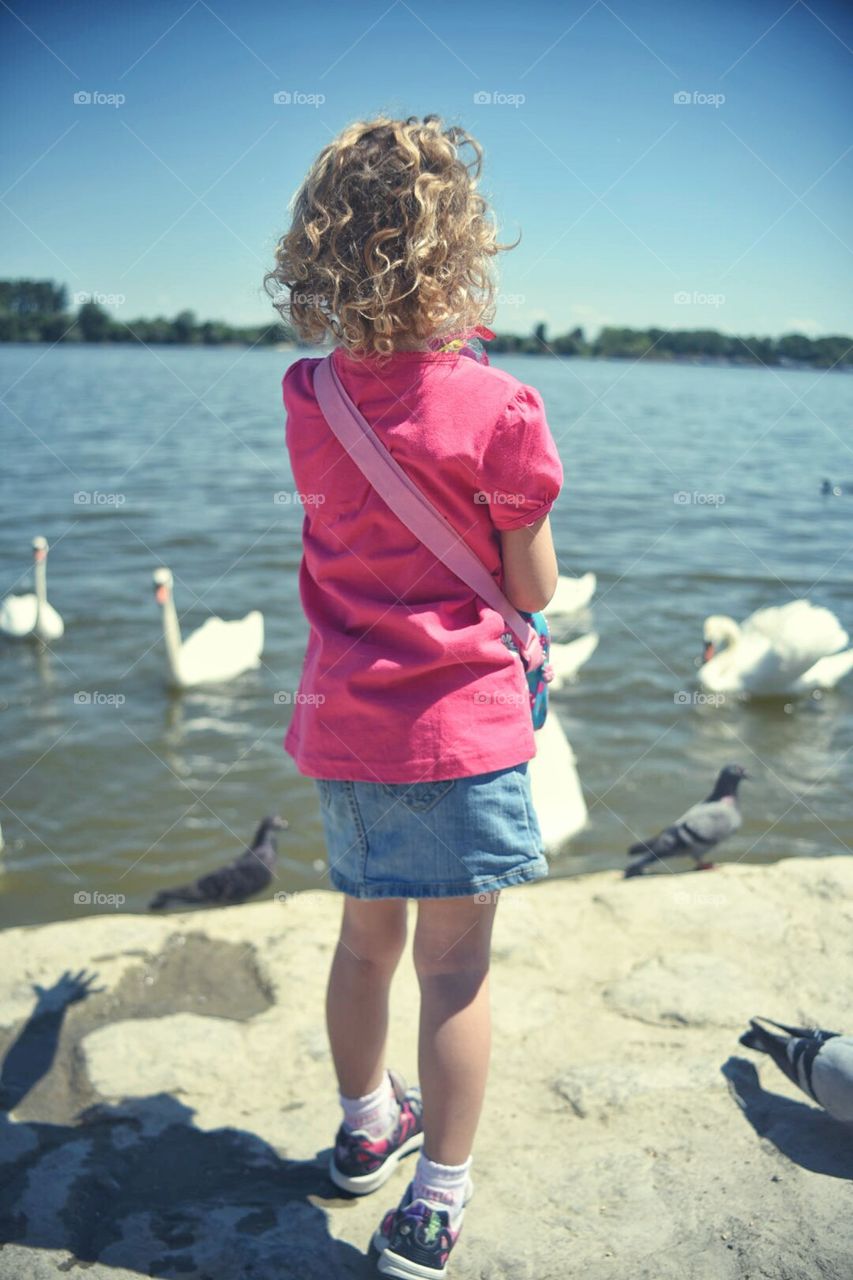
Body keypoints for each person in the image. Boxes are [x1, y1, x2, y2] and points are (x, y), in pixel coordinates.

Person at [267, 114, 563, 1278]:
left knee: (362, 941)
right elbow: (528, 583)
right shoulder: (500, 410)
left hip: (345, 721)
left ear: (319, 255)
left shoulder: (307, 394)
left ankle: (361, 1125)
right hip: (457, 731)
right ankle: (435, 1200)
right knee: (454, 967)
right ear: (462, 254)